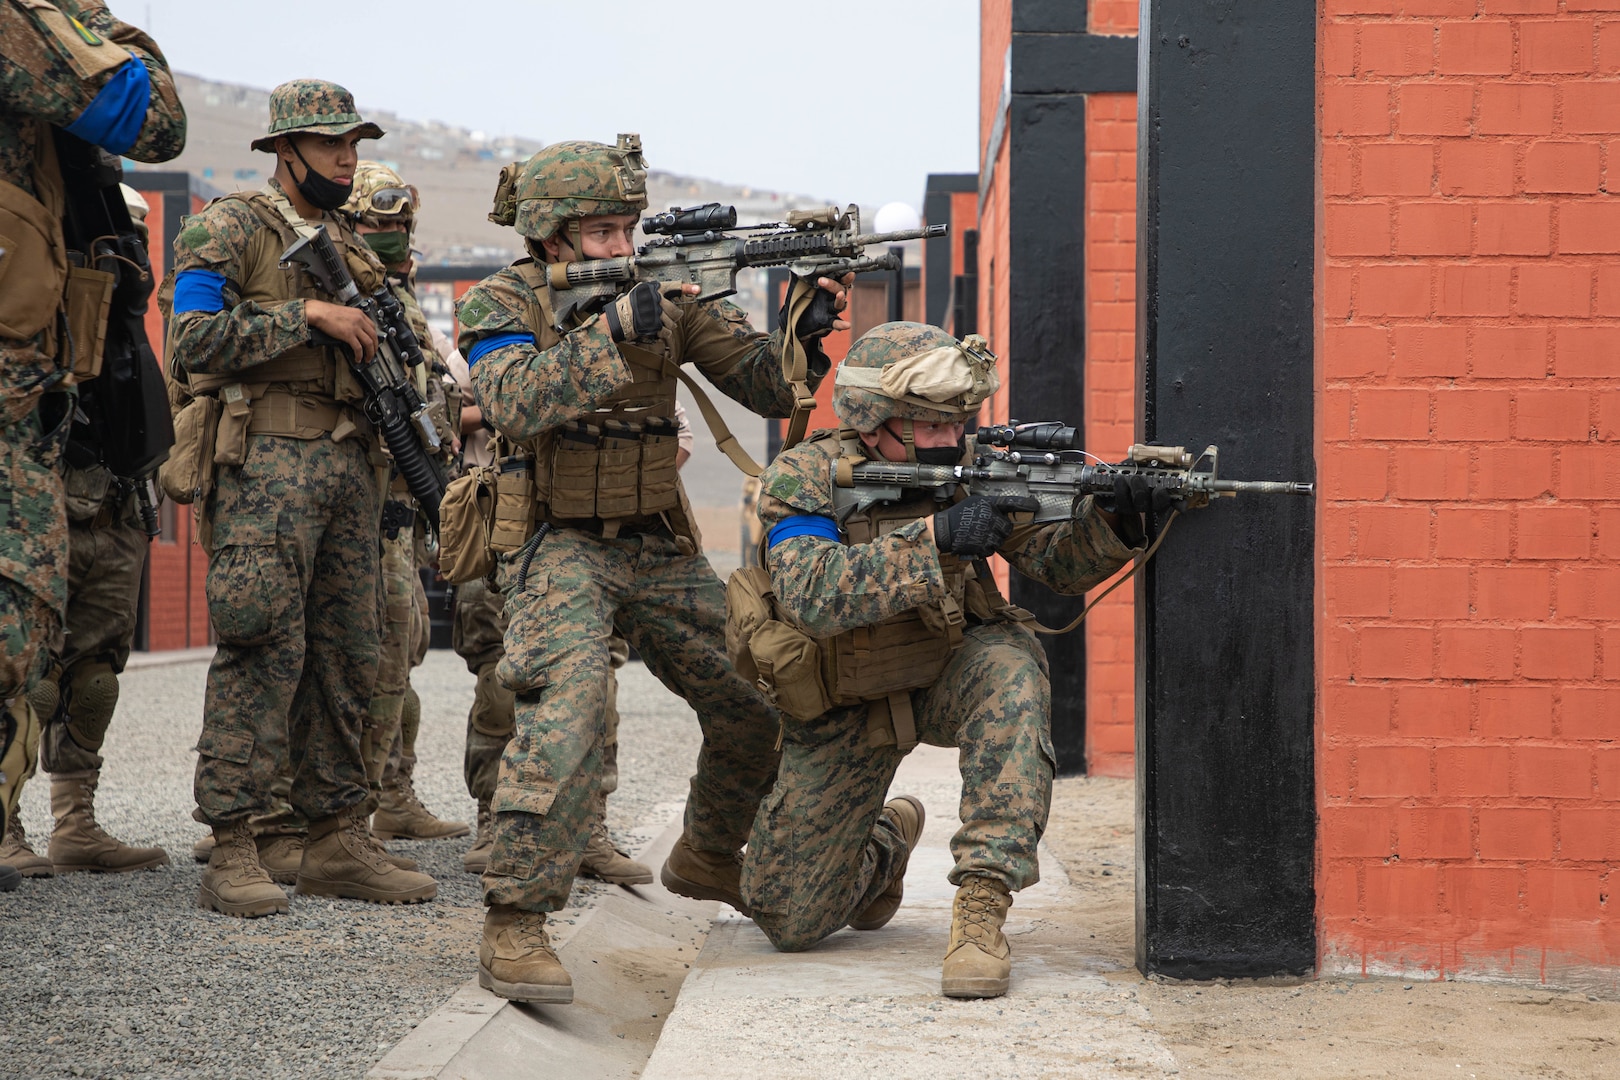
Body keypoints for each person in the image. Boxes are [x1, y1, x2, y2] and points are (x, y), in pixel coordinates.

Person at [457, 133, 845, 1004]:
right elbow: (512, 401)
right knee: (572, 709)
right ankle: (515, 923)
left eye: (629, 228)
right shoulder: (501, 300)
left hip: (654, 541)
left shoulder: (663, 296)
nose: (621, 249)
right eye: (600, 233)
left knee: (762, 695)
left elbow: (771, 391)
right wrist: (611, 338)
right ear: (551, 237)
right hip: (558, 541)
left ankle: (710, 852)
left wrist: (802, 329)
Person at [736, 322, 1146, 999]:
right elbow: (810, 594)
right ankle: (887, 841)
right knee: (785, 916)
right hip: (844, 702)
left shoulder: (974, 468)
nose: (946, 440)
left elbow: (1057, 562)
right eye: (925, 427)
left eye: (954, 422)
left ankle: (982, 905)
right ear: (871, 422)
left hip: (946, 675)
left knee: (1011, 665)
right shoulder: (806, 477)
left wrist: (1115, 523)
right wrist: (938, 540)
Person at [164, 80, 435, 918]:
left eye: (352, 143)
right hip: (269, 468)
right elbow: (190, 339)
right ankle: (237, 844)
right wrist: (305, 316)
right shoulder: (230, 226)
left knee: (349, 655)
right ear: (284, 151)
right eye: (328, 145)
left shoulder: (352, 240)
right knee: (260, 648)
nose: (346, 158)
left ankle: (335, 838)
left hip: (352, 469)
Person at [0, 0, 186, 885]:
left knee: (96, 661)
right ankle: (6, 827)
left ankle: (76, 819)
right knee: (24, 652)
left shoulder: (104, 191)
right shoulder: (32, 52)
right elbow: (159, 117)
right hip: (41, 433)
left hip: (105, 437)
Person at [341, 159, 467, 846]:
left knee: (401, 655)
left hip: (401, 510)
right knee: (361, 658)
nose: (389, 236)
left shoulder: (402, 298)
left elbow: (430, 386)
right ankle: (320, 819)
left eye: (397, 224)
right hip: (354, 506)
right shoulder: (347, 293)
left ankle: (386, 797)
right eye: (374, 225)